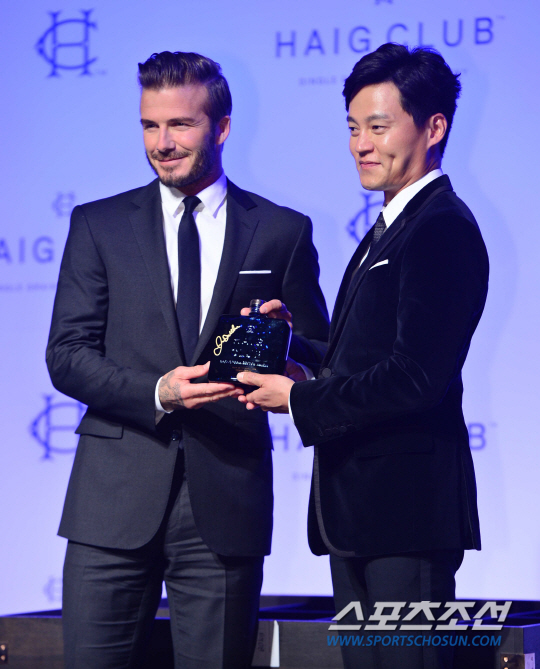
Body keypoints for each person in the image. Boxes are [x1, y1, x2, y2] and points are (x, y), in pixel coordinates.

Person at [46, 50, 329, 669]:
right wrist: (158, 391)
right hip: (111, 501)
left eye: (180, 124)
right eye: (150, 125)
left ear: (221, 127)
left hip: (225, 500)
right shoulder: (99, 225)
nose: (162, 143)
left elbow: (319, 352)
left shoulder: (281, 230)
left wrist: (288, 353)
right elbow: (66, 355)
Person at [237, 43, 489, 669]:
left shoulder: (441, 228)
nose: (361, 145)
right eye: (353, 128)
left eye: (378, 127)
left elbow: (415, 377)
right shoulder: (390, 227)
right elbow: (367, 356)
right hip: (359, 518)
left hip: (406, 519)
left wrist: (300, 399)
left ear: (434, 127)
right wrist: (294, 347)